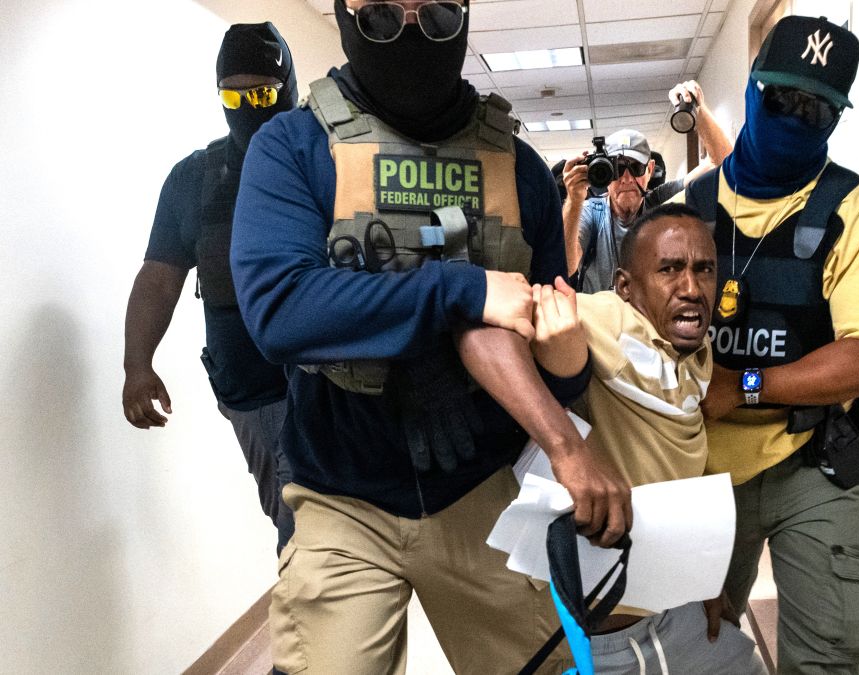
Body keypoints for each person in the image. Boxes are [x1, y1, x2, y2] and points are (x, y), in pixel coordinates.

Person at [229, 1, 630, 672]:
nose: (410, 29)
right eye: (382, 12)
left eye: (436, 11)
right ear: (345, 11)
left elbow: (553, 358)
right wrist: (462, 292)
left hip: (482, 488)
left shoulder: (519, 167)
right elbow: (281, 308)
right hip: (341, 495)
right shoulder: (294, 146)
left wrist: (563, 366)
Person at [683, 16, 859, 674]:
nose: (796, 116)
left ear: (837, 116)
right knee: (689, 644)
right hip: (698, 468)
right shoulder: (688, 211)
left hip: (810, 457)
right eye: (782, 98)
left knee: (828, 654)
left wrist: (748, 385)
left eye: (816, 107)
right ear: (755, 87)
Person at [529, 203, 767, 674]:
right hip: (595, 635)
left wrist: (705, 577)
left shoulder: (695, 351)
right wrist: (562, 431)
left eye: (704, 270)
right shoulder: (599, 320)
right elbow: (491, 319)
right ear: (624, 287)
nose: (692, 288)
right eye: (669, 270)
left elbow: (681, 471)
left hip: (676, 609)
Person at [122, 22, 298, 552]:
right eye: (232, 95)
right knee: (299, 526)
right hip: (256, 395)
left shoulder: (332, 161)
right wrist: (137, 364)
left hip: (339, 386)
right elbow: (158, 276)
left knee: (314, 536)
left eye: (264, 94)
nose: (248, 106)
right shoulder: (195, 179)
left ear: (287, 87)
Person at [563, 85, 733, 293]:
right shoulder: (591, 212)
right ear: (605, 175)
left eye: (635, 168)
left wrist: (698, 107)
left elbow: (723, 165)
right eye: (617, 169)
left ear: (650, 169)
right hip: (601, 323)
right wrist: (574, 200)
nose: (626, 178)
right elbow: (567, 265)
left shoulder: (662, 202)